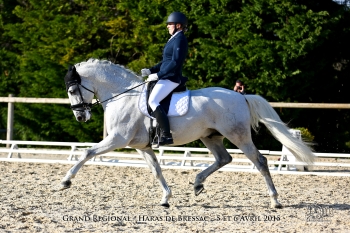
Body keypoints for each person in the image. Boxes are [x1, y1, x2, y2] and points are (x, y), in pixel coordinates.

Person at [141, 12, 189, 146]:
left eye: (170, 24)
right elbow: (165, 62)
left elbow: (175, 62)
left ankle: (167, 135)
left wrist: (159, 75)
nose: (167, 26)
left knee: (153, 100)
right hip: (165, 76)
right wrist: (151, 70)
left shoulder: (180, 39)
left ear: (178, 25)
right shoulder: (174, 38)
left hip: (171, 78)